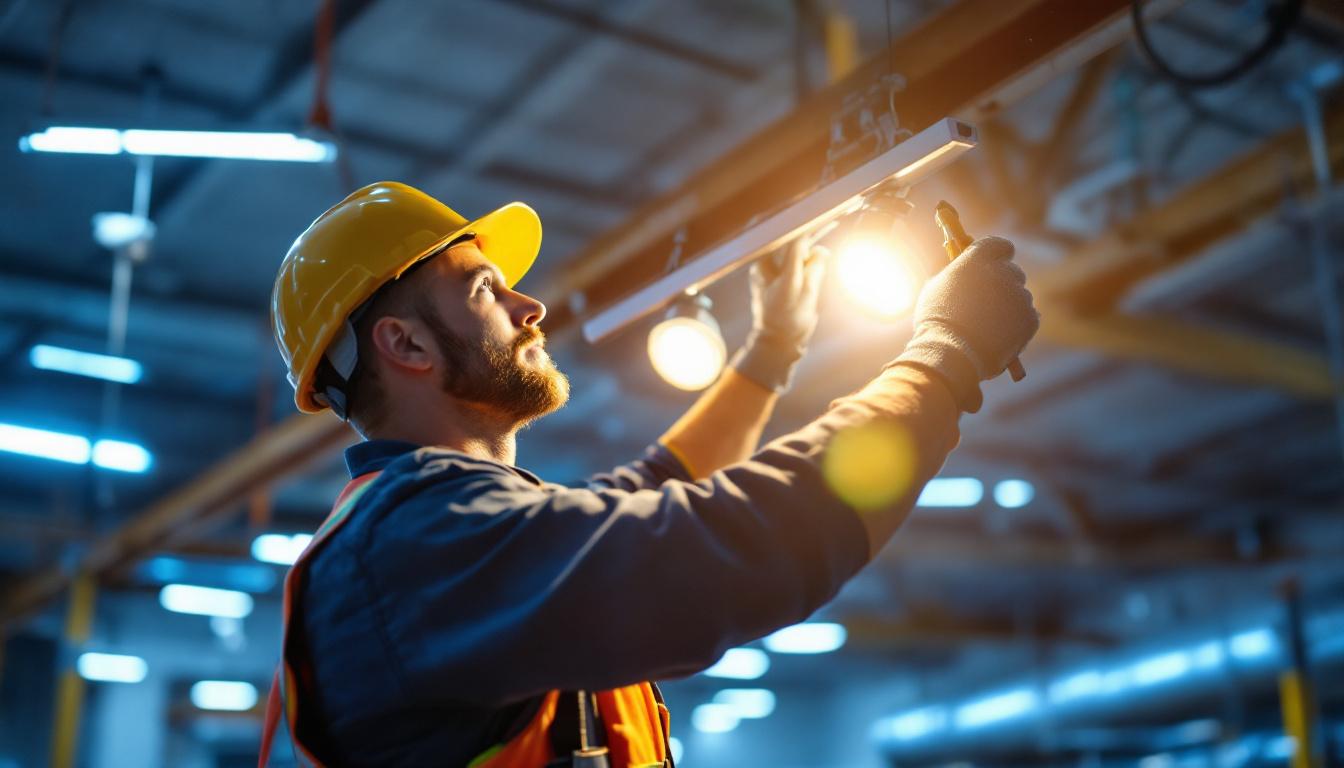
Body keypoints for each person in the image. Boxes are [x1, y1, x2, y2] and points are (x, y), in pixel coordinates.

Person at [262, 181, 1038, 767]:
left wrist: (771, 355)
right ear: (407, 346)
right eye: (486, 292)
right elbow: (723, 550)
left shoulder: (432, 533)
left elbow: (649, 490)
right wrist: (945, 358)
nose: (529, 305)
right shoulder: (413, 547)